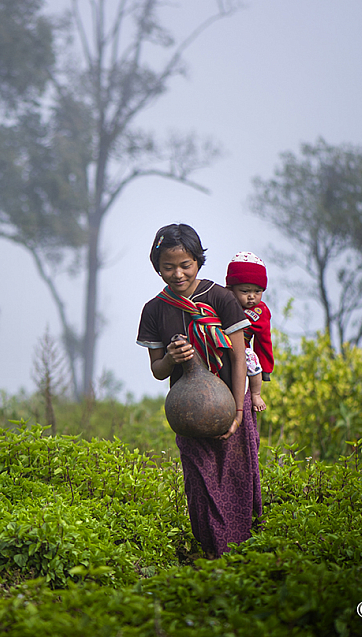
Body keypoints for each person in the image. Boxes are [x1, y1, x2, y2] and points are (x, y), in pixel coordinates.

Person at [136, 223, 262, 558]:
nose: (177, 273)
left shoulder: (221, 298)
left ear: (198, 261)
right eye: (167, 266)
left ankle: (242, 554)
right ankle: (211, 552)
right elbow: (157, 371)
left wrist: (237, 412)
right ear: (157, 266)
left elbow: (238, 358)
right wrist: (172, 359)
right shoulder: (154, 310)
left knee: (236, 475)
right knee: (200, 482)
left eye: (185, 265)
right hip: (188, 410)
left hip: (231, 401)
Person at [224, 251, 275, 415]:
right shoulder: (223, 301)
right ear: (231, 289)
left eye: (257, 292)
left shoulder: (260, 311)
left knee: (251, 360)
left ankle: (255, 394)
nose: (252, 297)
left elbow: (264, 341)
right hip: (220, 345)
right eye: (245, 291)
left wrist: (266, 369)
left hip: (242, 349)